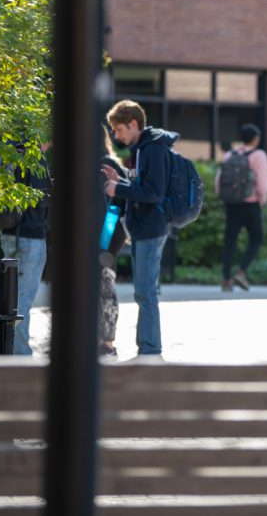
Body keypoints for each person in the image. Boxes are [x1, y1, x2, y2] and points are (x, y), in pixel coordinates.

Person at [103, 99, 178, 357]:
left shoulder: (152, 149)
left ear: (133, 124)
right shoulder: (140, 150)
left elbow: (153, 192)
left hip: (151, 227)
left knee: (146, 292)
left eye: (119, 129)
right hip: (142, 228)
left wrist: (118, 188)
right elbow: (141, 186)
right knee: (142, 291)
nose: (116, 135)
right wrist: (122, 180)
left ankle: (150, 348)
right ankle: (147, 346)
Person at [0, 140, 51, 355]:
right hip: (30, 237)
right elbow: (42, 198)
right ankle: (20, 353)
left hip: (8, 233)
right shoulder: (35, 158)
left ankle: (9, 348)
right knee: (22, 301)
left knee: (11, 297)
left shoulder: (7, 155)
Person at [216, 124, 267, 292]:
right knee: (256, 238)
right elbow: (262, 182)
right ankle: (241, 272)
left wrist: (223, 197)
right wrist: (262, 199)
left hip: (231, 204)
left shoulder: (229, 155)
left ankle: (226, 280)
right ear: (255, 139)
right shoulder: (258, 155)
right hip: (250, 203)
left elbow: (219, 180)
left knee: (229, 241)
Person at [98, 127, 128, 359]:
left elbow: (124, 198)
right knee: (102, 284)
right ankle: (102, 341)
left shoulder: (105, 163)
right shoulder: (108, 161)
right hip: (109, 234)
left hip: (106, 235)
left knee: (105, 285)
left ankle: (107, 343)